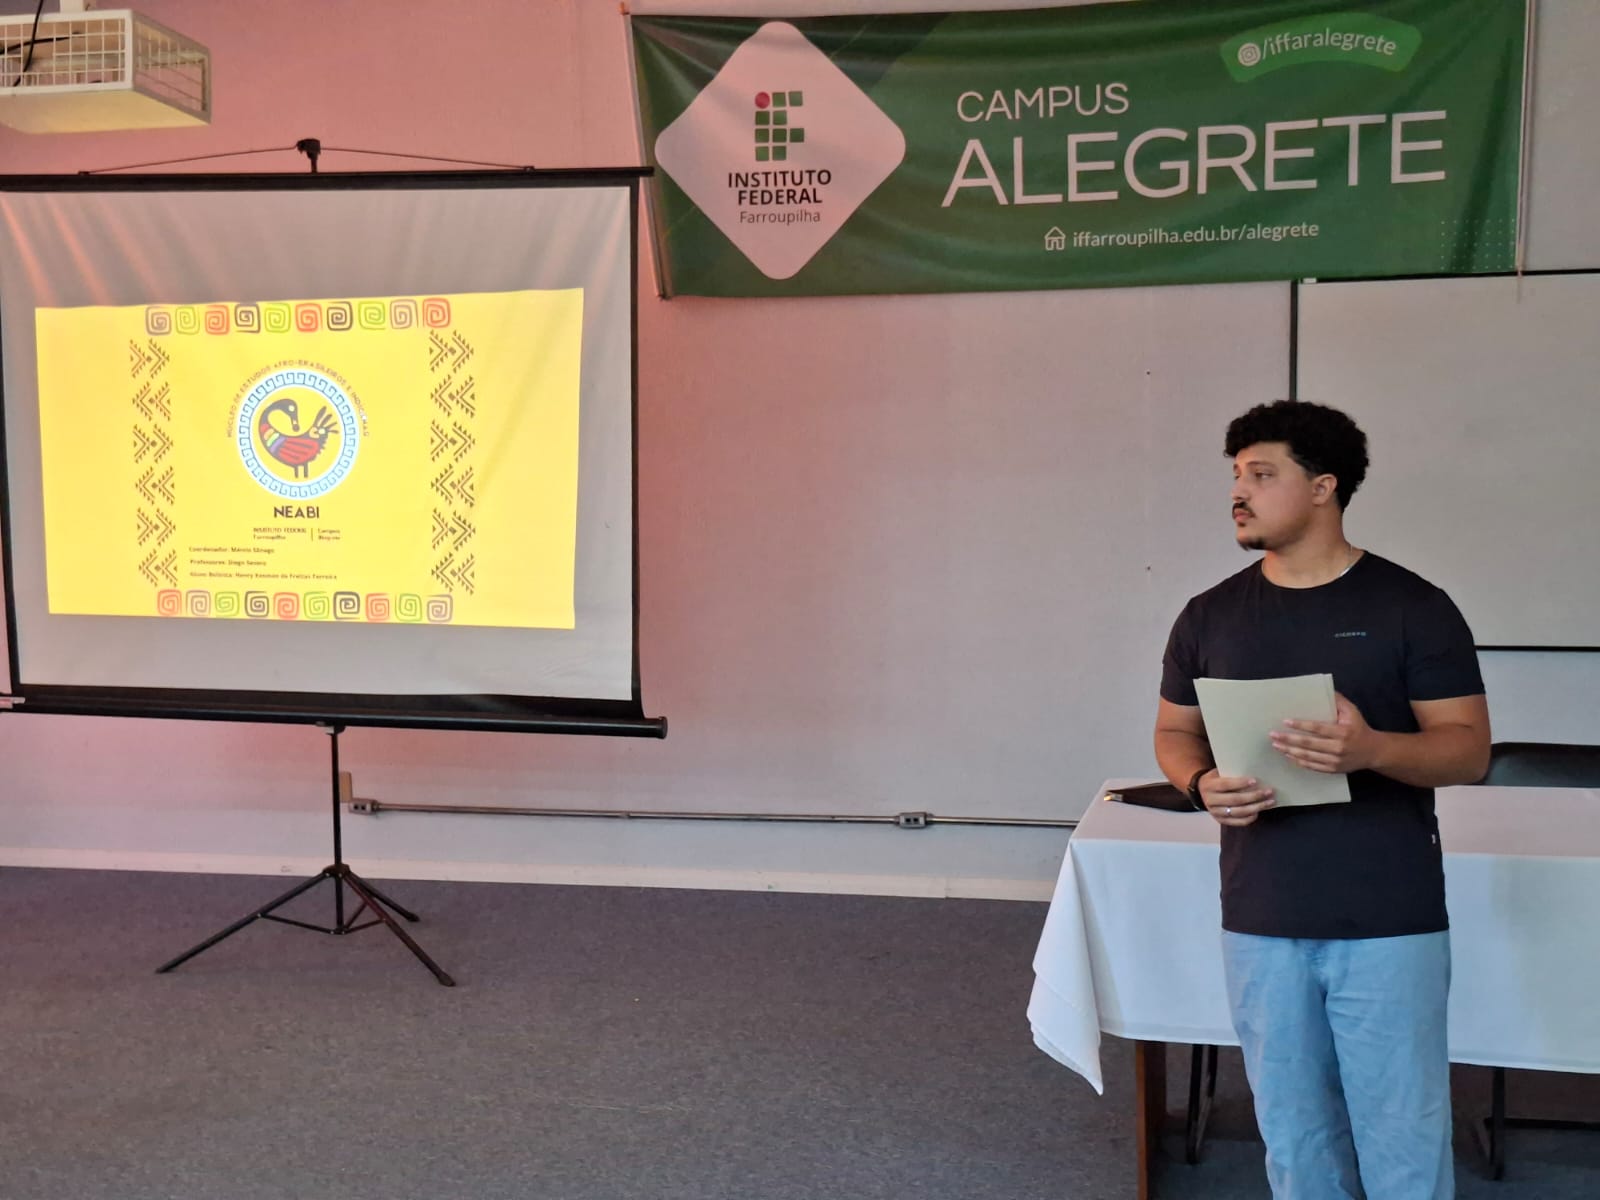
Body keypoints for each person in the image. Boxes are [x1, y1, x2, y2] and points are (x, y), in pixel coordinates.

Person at [1153, 399, 1490, 1200]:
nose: (1238, 492)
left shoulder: (1412, 606)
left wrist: (1373, 749)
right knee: (1294, 1133)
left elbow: (1468, 749)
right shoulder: (1209, 615)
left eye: (1261, 474)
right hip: (1261, 913)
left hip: (1389, 917)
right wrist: (1199, 783)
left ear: (1322, 487)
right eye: (1236, 476)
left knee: (1402, 1132)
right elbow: (1173, 732)